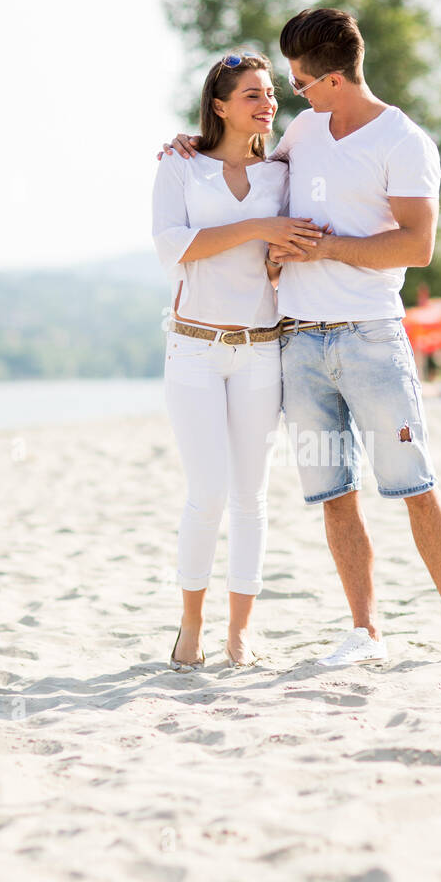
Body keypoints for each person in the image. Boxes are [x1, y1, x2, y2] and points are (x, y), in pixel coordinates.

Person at [164, 8, 441, 668]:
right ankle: (364, 630)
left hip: (371, 337)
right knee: (334, 494)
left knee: (414, 484)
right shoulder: (305, 131)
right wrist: (191, 145)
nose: (294, 95)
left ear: (334, 78)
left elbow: (418, 246)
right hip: (298, 344)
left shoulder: (404, 142)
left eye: (301, 83)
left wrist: (327, 251)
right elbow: (249, 168)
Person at [152, 51, 323, 669]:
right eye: (253, 94)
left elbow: (287, 254)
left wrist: (280, 253)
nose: (268, 102)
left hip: (260, 351)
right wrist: (259, 230)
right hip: (193, 349)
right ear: (219, 105)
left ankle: (240, 632)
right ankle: (191, 624)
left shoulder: (282, 173)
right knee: (207, 492)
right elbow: (174, 247)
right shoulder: (179, 166)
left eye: (272, 92)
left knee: (251, 497)